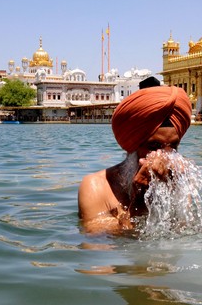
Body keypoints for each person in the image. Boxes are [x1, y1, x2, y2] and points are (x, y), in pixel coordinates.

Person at [78, 77, 192, 234]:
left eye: (173, 146)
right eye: (154, 147)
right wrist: (139, 199)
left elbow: (186, 233)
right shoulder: (96, 187)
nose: (164, 156)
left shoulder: (182, 180)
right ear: (132, 146)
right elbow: (96, 247)